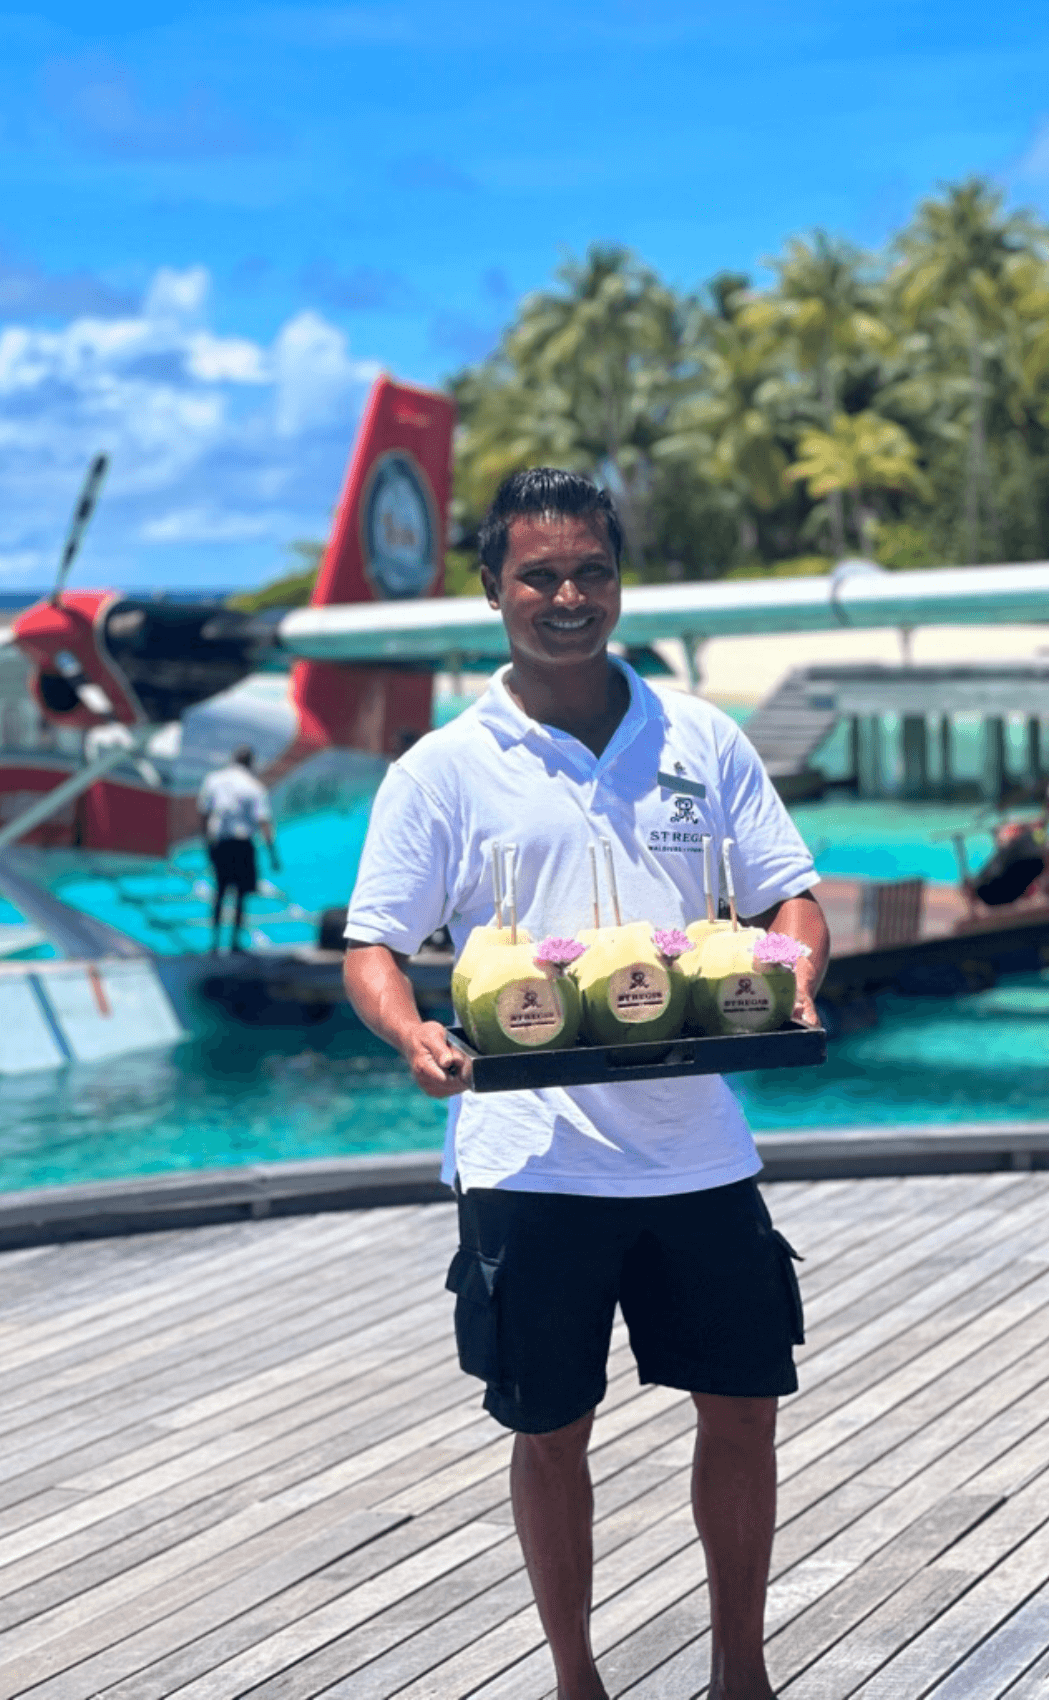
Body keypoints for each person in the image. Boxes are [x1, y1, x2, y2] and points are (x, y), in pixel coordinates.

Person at [343, 469, 829, 1700]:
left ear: (619, 579)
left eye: (591, 572)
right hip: (530, 1160)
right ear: (494, 587)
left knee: (744, 1409)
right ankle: (575, 1680)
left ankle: (739, 1672)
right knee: (549, 1430)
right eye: (539, 574)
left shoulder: (699, 736)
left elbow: (787, 891)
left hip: (697, 1149)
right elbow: (374, 945)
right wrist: (412, 1035)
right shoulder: (443, 768)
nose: (568, 596)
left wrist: (798, 968)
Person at [197, 744, 280, 952]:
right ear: (251, 763)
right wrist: (272, 854)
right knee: (241, 894)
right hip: (242, 844)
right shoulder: (253, 786)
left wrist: (206, 840)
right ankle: (234, 942)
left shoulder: (214, 780)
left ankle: (214, 942)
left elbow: (204, 813)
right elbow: (263, 822)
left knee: (220, 891)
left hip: (221, 842)